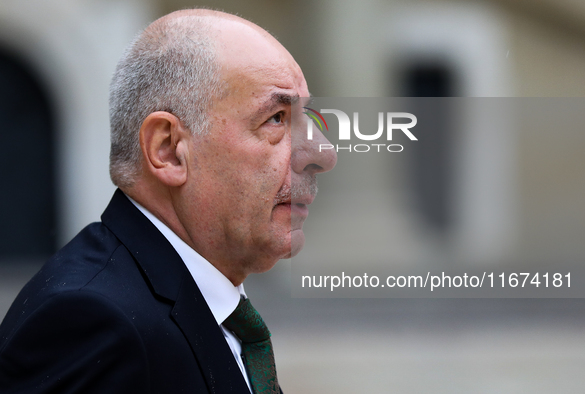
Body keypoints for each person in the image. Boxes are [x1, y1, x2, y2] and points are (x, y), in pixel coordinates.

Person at [0, 9, 336, 394]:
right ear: (168, 150)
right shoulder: (94, 325)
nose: (322, 153)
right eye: (276, 118)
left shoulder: (179, 305)